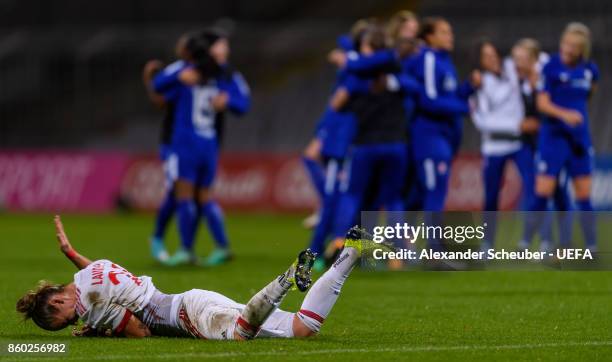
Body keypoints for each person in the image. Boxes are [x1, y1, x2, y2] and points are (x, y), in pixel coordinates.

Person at [16, 216, 379, 340]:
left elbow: (140, 331)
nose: (74, 320)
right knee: (303, 329)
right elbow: (92, 276)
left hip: (188, 316)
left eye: (66, 320)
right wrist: (70, 252)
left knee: (239, 335)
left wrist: (99, 329)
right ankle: (351, 252)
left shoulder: (89, 305)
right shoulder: (88, 274)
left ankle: (286, 279)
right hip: (191, 301)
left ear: (60, 300)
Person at [152, 30, 249, 267]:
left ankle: (185, 250)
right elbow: (242, 100)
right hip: (209, 142)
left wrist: (175, 78)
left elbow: (159, 85)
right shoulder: (221, 75)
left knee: (183, 195)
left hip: (186, 142)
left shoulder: (185, 70)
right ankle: (221, 246)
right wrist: (227, 101)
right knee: (204, 196)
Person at [529, 23, 599, 251]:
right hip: (554, 137)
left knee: (584, 195)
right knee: (543, 190)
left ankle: (591, 247)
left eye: (573, 46)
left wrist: (575, 117)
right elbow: (542, 103)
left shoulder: (590, 70)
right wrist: (565, 114)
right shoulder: (549, 67)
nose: (567, 49)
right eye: (565, 44)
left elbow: (588, 95)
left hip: (579, 139)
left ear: (582, 50)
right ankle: (528, 242)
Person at [469, 40, 534, 249]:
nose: (492, 59)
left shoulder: (511, 68)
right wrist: (517, 125)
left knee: (534, 188)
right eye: (486, 56)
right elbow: (483, 122)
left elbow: (537, 60)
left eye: (494, 53)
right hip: (494, 147)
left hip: (519, 145)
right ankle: (487, 242)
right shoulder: (478, 84)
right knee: (491, 197)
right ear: (479, 61)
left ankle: (529, 239)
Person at [512, 38, 573, 251]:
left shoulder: (546, 80)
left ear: (533, 59)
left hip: (552, 144)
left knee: (558, 194)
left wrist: (536, 123)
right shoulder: (522, 82)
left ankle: (563, 241)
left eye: (520, 59)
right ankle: (541, 240)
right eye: (515, 59)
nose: (516, 63)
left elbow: (555, 112)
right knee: (538, 193)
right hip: (531, 145)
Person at [142, 33, 191, 263]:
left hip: (196, 146)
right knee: (176, 191)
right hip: (173, 143)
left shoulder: (205, 74)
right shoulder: (181, 72)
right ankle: (160, 239)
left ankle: (183, 246)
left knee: (188, 195)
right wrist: (150, 81)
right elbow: (161, 99)